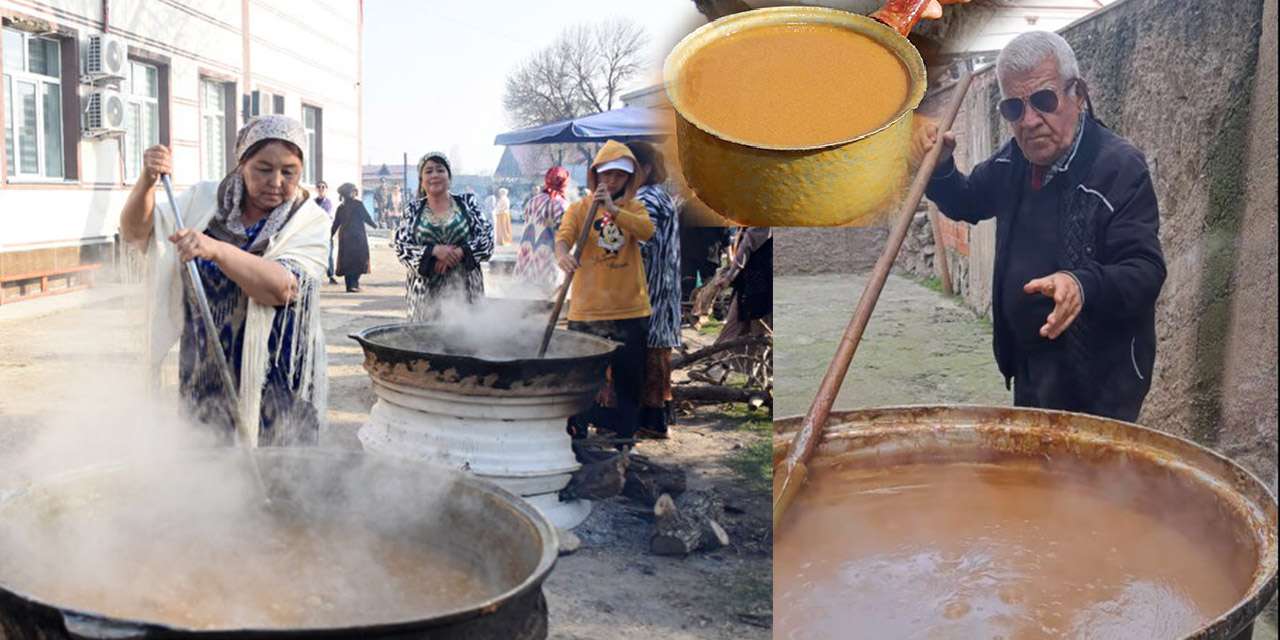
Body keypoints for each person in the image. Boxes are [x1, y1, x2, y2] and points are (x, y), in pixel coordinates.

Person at [918, 31, 1165, 422]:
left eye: (1044, 101)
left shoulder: (1120, 168)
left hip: (1103, 380)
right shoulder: (1011, 162)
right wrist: (943, 169)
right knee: (1035, 473)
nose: (1030, 121)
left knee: (1093, 481)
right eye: (1014, 108)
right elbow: (967, 202)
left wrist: (1082, 285)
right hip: (1031, 369)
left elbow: (1145, 270)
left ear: (1077, 94)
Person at [120, 115, 329, 446]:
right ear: (241, 163)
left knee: (282, 475)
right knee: (209, 475)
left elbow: (283, 289)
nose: (276, 181)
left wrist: (216, 250)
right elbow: (136, 233)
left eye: (289, 171)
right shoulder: (205, 201)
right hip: (206, 371)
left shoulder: (308, 220)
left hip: (278, 377)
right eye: (263, 168)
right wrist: (146, 182)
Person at [556, 141, 655, 441]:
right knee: (581, 379)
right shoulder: (579, 209)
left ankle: (625, 439)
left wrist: (614, 210)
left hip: (630, 308)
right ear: (594, 176)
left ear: (629, 178)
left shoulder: (635, 208)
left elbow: (647, 231)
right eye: (605, 175)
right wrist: (562, 254)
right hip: (588, 309)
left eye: (619, 176)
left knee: (629, 380)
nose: (611, 181)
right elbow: (564, 237)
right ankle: (577, 436)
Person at [393, 151, 494, 321]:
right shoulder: (412, 209)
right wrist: (433, 252)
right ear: (421, 180)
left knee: (466, 343)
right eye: (429, 171)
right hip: (425, 296)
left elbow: (488, 239)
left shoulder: (467, 203)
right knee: (425, 344)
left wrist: (461, 252)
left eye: (440, 170)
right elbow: (401, 247)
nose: (435, 175)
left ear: (449, 176)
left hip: (466, 290)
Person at [628, 142, 682, 439]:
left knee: (649, 358)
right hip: (661, 290)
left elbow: (638, 243)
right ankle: (659, 417)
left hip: (651, 292)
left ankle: (651, 422)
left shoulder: (647, 199)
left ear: (645, 169)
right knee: (657, 358)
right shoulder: (657, 197)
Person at [514, 166, 570, 293]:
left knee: (525, 308)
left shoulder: (532, 201)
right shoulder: (562, 205)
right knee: (545, 309)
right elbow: (564, 237)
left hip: (525, 262)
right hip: (547, 266)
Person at [331, 183, 377, 293]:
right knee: (360, 260)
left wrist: (330, 235)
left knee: (347, 261)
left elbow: (336, 224)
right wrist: (374, 225)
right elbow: (366, 216)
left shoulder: (340, 208)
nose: (355, 192)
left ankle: (349, 286)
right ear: (349, 193)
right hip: (357, 237)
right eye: (354, 191)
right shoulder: (358, 204)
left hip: (345, 238)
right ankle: (354, 284)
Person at [314, 181, 337, 285]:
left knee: (328, 254)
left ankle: (331, 275)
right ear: (316, 189)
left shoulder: (328, 203)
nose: (321, 189)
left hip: (326, 232)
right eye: (319, 187)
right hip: (315, 233)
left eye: (323, 187)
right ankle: (315, 277)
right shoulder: (312, 203)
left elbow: (325, 215)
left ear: (326, 189)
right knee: (315, 254)